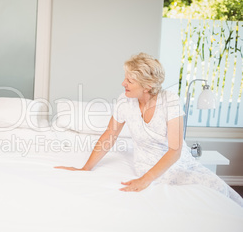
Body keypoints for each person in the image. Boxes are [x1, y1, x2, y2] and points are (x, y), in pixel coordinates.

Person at [56, 52, 243, 207]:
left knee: (221, 190)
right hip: (147, 165)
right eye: (125, 78)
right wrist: (85, 168)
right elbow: (109, 135)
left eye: (129, 80)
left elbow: (175, 150)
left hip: (178, 163)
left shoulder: (169, 101)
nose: (123, 83)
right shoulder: (125, 100)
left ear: (148, 86)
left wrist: (146, 179)